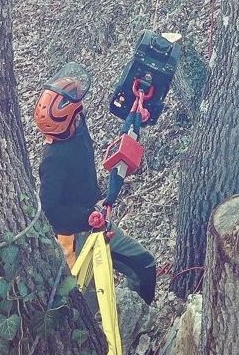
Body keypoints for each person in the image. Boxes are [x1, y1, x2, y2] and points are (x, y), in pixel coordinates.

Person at [34, 74, 156, 304]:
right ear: (65, 123)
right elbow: (50, 210)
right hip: (76, 237)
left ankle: (136, 318)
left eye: (79, 113)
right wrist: (86, 217)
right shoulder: (53, 160)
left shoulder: (76, 125)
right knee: (86, 304)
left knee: (144, 266)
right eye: (76, 116)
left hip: (96, 220)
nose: (81, 118)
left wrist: (136, 114)